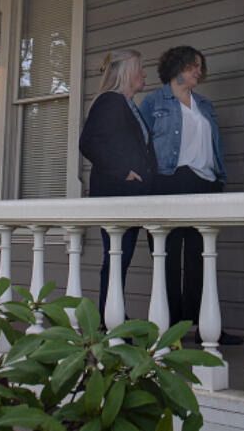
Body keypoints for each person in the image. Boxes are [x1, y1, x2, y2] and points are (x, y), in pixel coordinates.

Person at [141, 45, 242, 345]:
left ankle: (206, 327)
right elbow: (141, 145)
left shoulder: (204, 105)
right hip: (168, 182)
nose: (198, 71)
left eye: (200, 66)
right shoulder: (153, 102)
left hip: (205, 184)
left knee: (202, 259)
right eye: (191, 65)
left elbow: (215, 146)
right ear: (175, 67)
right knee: (168, 259)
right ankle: (171, 329)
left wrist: (218, 179)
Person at [79, 49, 156, 316]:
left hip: (132, 197)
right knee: (116, 258)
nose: (144, 74)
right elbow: (89, 143)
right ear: (126, 74)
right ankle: (108, 320)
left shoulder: (129, 105)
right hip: (116, 196)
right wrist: (123, 171)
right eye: (140, 69)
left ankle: (113, 316)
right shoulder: (110, 101)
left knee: (120, 259)